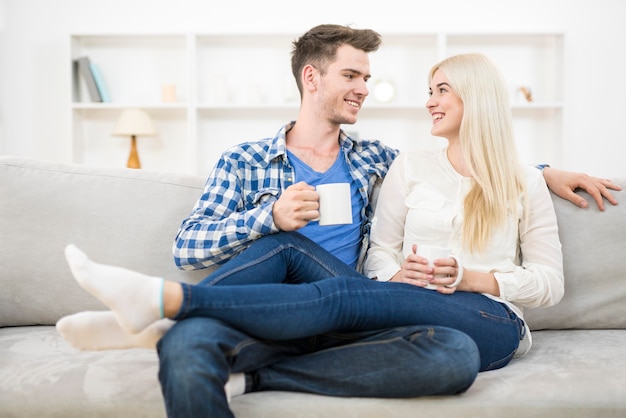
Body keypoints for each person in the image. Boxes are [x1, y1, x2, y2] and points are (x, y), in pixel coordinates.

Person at [56, 25, 620, 418]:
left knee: (446, 353)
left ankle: (167, 308)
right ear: (311, 78)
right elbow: (189, 245)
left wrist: (540, 172)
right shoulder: (246, 161)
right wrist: (266, 216)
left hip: (357, 303)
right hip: (272, 299)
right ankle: (174, 313)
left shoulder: (374, 159)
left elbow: (476, 170)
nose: (364, 90)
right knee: (201, 332)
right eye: (353, 75)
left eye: (367, 78)